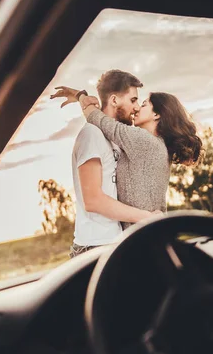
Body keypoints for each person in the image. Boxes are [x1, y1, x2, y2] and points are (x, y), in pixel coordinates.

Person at [53, 84, 202, 230]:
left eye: (143, 104)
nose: (137, 108)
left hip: (142, 237)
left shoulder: (143, 140)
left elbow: (97, 118)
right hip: (150, 233)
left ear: (156, 115)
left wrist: (81, 96)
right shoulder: (157, 145)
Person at [51, 70, 159, 257]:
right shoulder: (91, 135)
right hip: (94, 248)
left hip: (112, 243)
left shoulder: (111, 135)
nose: (135, 107)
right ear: (115, 100)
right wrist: (147, 218)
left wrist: (80, 96)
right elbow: (93, 200)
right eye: (133, 100)